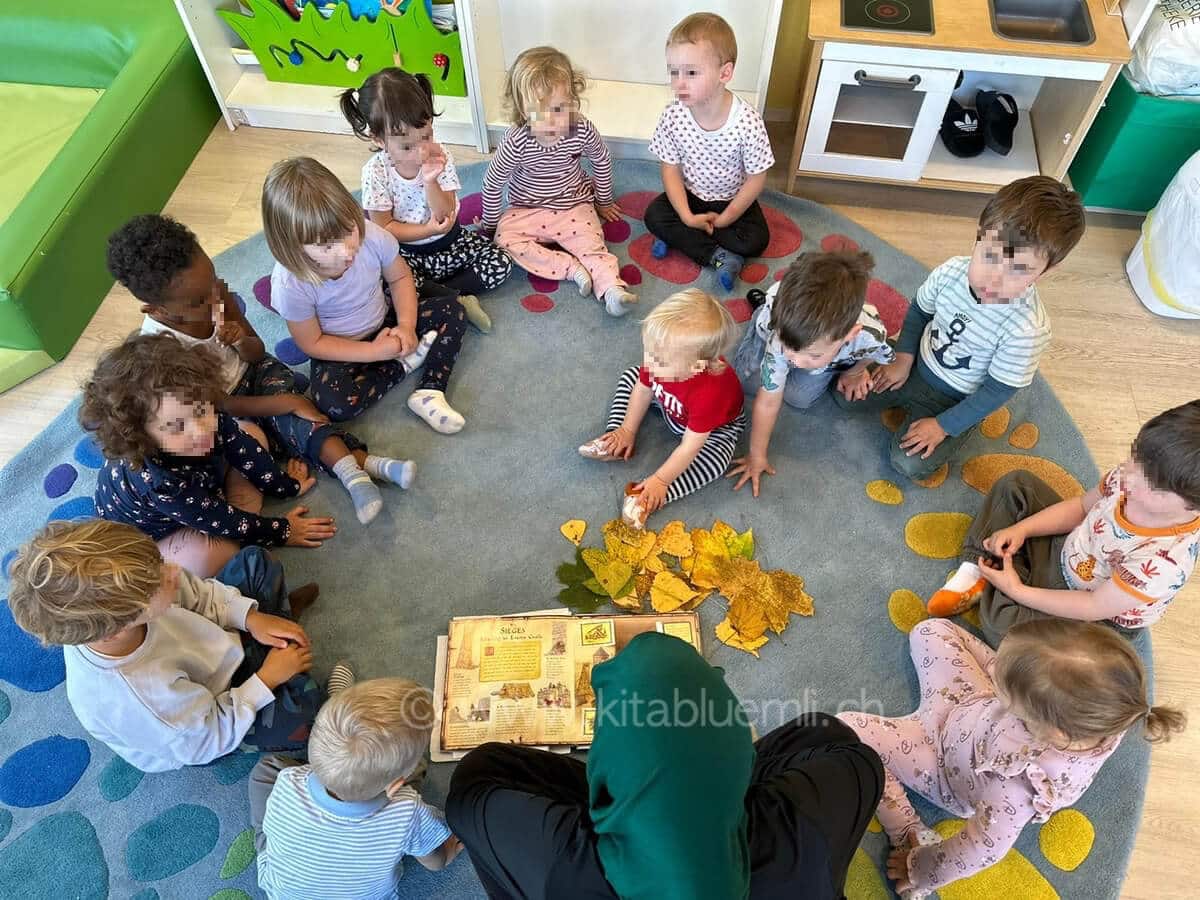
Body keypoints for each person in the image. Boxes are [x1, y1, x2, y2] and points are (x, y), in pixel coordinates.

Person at [446, 631, 883, 899]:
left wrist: (634, 797)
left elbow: (472, 788)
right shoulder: (797, 830)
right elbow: (857, 758)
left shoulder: (564, 861)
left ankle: (648, 794)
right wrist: (715, 770)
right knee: (821, 730)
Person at [839, 618, 1184, 898]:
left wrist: (920, 869)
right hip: (971, 708)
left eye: (1011, 693)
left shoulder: (1013, 792)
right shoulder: (1106, 711)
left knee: (847, 732)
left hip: (946, 765)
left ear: (1049, 730)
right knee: (930, 630)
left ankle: (907, 830)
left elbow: (976, 852)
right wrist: (1009, 677)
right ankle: (1010, 678)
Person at [108, 215, 416, 527]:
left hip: (256, 372)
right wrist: (287, 403)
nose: (213, 297)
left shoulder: (215, 295)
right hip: (218, 411)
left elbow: (256, 352)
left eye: (213, 280)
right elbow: (219, 406)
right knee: (287, 417)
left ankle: (363, 469)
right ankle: (361, 471)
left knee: (300, 416)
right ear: (157, 310)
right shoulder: (160, 351)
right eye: (199, 301)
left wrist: (241, 342)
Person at [5, 519, 341, 772]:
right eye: (157, 579)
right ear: (116, 630)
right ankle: (278, 647)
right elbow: (206, 738)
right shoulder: (135, 698)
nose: (173, 571)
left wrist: (250, 618)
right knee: (310, 717)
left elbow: (200, 594)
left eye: (158, 560)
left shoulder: (137, 594)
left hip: (215, 649)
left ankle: (273, 630)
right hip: (208, 719)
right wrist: (266, 680)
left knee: (255, 561)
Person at [835, 175, 1085, 481]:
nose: (995, 279)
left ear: (1046, 272)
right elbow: (919, 313)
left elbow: (996, 391)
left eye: (1019, 270)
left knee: (909, 464)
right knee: (843, 393)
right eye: (990, 257)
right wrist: (903, 357)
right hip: (915, 362)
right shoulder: (951, 271)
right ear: (978, 236)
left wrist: (943, 426)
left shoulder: (1028, 329)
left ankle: (957, 427)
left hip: (956, 399)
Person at [928, 400, 1200, 643]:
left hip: (1092, 612)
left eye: (1151, 484)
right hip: (1072, 547)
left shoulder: (1165, 562)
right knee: (1017, 485)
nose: (1129, 474)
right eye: (1135, 455)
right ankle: (977, 570)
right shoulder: (1133, 477)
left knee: (1004, 630)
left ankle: (1004, 575)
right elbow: (1082, 508)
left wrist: (1018, 590)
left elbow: (1092, 605)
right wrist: (1022, 528)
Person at [81, 334, 337, 578]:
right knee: (210, 555)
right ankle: (239, 521)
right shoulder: (158, 482)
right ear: (142, 437)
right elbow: (222, 521)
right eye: (177, 427)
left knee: (250, 433)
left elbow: (244, 449)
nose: (200, 429)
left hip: (199, 486)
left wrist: (285, 486)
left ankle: (235, 516)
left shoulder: (204, 411)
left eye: (202, 410)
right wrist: (282, 531)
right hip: (158, 534)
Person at [263, 156, 469, 430]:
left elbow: (399, 277)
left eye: (347, 230)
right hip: (341, 348)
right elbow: (312, 343)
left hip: (386, 319)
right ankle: (402, 365)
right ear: (291, 250)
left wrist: (406, 326)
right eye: (326, 247)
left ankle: (431, 388)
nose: (347, 250)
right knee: (332, 403)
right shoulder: (290, 285)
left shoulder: (371, 235)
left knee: (454, 311)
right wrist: (374, 352)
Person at [251, 677, 463, 899]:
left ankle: (341, 771)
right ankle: (371, 774)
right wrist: (446, 851)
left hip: (284, 893)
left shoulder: (287, 781)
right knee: (417, 767)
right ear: (396, 785)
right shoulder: (407, 810)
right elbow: (435, 861)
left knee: (267, 768)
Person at [341, 67, 511, 333]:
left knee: (501, 262)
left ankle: (445, 296)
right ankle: (457, 299)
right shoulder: (375, 172)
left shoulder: (441, 155)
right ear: (378, 139)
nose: (420, 151)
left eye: (426, 136)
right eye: (407, 146)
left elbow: (444, 214)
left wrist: (430, 179)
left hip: (451, 243)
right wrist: (426, 230)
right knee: (385, 290)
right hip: (408, 254)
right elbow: (385, 228)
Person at [480, 46, 637, 317]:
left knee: (593, 245)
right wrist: (491, 223)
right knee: (504, 239)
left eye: (559, 108)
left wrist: (603, 200)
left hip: (573, 205)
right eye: (539, 111)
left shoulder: (580, 127)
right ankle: (571, 269)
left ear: (572, 100)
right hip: (526, 209)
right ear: (521, 110)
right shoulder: (516, 139)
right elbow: (493, 182)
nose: (551, 120)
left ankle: (612, 289)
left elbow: (601, 159)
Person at [727, 251, 894, 497]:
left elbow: (874, 352)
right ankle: (764, 310)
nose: (795, 360)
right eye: (791, 349)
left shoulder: (870, 335)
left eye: (812, 355)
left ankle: (850, 320)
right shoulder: (780, 331)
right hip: (774, 326)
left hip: (818, 338)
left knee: (799, 398)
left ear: (850, 334)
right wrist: (756, 454)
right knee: (742, 382)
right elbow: (768, 401)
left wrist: (856, 373)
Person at [578, 289, 745, 527]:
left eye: (661, 360)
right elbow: (643, 389)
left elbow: (689, 447)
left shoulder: (710, 394)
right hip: (672, 405)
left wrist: (661, 480)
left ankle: (648, 495)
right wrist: (627, 429)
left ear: (697, 366)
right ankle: (617, 438)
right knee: (631, 377)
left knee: (717, 461)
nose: (650, 362)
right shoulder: (658, 358)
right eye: (650, 352)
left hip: (711, 429)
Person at [644, 13, 775, 292]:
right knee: (654, 215)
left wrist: (727, 217)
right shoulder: (672, 115)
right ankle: (718, 256)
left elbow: (756, 178)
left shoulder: (747, 122)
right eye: (673, 72)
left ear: (724, 74)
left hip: (731, 200)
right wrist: (687, 215)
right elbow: (670, 168)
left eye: (691, 73)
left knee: (756, 240)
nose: (679, 83)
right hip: (689, 196)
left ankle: (681, 238)